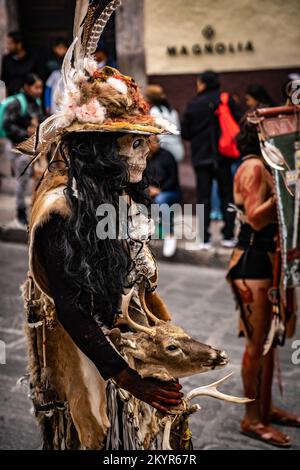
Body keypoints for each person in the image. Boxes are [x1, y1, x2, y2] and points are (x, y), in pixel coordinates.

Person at [16, 1, 186, 450]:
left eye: (143, 143)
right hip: (89, 355)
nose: (143, 154)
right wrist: (131, 379)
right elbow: (72, 309)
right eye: (132, 143)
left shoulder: (116, 193)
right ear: (98, 149)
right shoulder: (61, 210)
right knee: (98, 434)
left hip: (129, 342)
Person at [227, 116, 300, 448]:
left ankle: (266, 409)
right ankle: (251, 419)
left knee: (270, 342)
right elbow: (256, 219)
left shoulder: (261, 166)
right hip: (252, 261)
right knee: (257, 345)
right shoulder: (255, 167)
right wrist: (288, 189)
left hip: (266, 261)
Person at [181, 70, 241, 250]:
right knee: (227, 195)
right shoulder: (226, 99)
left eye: (198, 82)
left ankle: (204, 239)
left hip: (201, 157)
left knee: (203, 198)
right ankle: (228, 236)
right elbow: (239, 122)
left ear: (203, 84)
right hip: (223, 156)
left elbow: (186, 133)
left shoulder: (193, 104)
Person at [3, 73, 44, 226]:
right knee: (22, 181)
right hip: (17, 148)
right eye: (36, 87)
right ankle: (20, 212)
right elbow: (6, 126)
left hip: (32, 148)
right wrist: (25, 132)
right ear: (27, 87)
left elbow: (40, 120)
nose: (39, 90)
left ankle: (33, 211)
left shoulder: (35, 102)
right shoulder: (16, 103)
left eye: (40, 87)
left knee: (31, 179)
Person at [147, 137, 181, 257]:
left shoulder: (167, 156)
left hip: (169, 191)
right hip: (149, 191)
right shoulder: (144, 156)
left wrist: (159, 190)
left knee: (161, 200)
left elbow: (174, 179)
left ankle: (169, 235)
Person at [145, 84, 184, 163]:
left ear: (149, 98)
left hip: (164, 149)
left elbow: (154, 134)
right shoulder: (172, 111)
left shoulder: (155, 111)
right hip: (178, 149)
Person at [1, 31, 42, 96]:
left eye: (10, 43)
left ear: (19, 44)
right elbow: (3, 80)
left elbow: (39, 80)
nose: (7, 46)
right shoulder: (6, 59)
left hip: (30, 99)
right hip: (11, 99)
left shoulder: (33, 58)